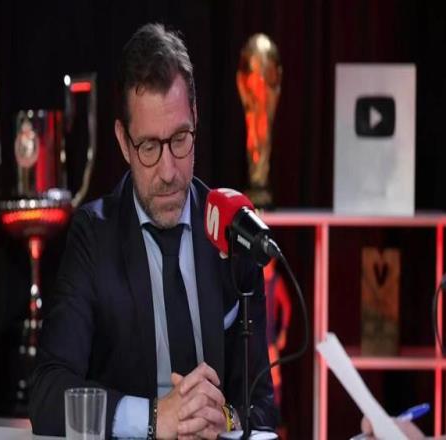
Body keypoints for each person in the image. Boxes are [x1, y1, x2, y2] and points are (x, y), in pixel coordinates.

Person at [29, 23, 275, 438]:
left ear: (195, 119)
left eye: (180, 139)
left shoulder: (233, 230)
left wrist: (226, 418)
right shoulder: (94, 237)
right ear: (123, 142)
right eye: (148, 147)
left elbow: (263, 406)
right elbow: (48, 394)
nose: (168, 171)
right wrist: (154, 417)